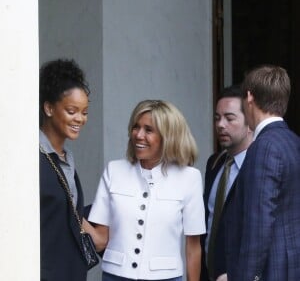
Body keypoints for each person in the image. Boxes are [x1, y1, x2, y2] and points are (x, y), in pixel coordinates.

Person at [88, 99, 206, 281]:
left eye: (149, 130)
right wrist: (69, 205)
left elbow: (193, 247)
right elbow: (100, 240)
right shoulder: (114, 170)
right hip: (115, 276)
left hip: (165, 277)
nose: (139, 135)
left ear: (169, 136)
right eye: (136, 127)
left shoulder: (189, 178)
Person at [224, 65, 300, 281]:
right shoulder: (293, 142)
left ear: (249, 97)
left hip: (271, 271)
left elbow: (258, 224)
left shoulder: (265, 146)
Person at [39, 58, 105, 281]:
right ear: (48, 108)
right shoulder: (31, 159)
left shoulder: (64, 158)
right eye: (72, 111)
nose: (80, 119)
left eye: (84, 112)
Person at [200, 85, 253, 281]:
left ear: (250, 121)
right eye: (217, 118)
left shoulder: (259, 167)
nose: (221, 125)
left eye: (230, 118)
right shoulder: (214, 163)